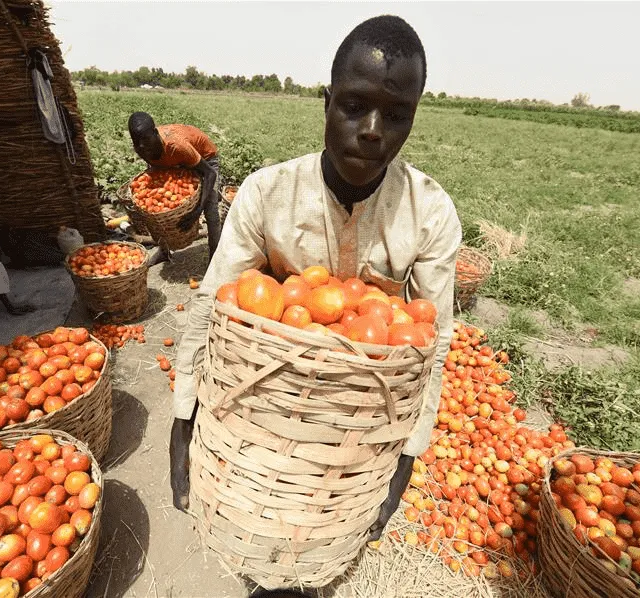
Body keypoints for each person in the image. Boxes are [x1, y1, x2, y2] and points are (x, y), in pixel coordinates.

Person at [169, 14, 463, 551]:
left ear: (413, 120)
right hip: (270, 406)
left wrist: (405, 457)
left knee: (324, 540)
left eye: (397, 115)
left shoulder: (430, 213)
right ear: (326, 101)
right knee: (260, 537)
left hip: (361, 417)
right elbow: (212, 302)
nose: (373, 128)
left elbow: (433, 340)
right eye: (354, 106)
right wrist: (183, 419)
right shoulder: (267, 194)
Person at [127, 112, 221, 266]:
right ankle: (163, 252)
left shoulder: (177, 146)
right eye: (137, 142)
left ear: (156, 133)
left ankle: (215, 258)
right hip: (180, 160)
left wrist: (197, 210)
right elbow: (156, 170)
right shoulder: (142, 148)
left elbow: (210, 174)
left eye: (145, 140)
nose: (142, 146)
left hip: (206, 159)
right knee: (156, 217)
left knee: (211, 211)